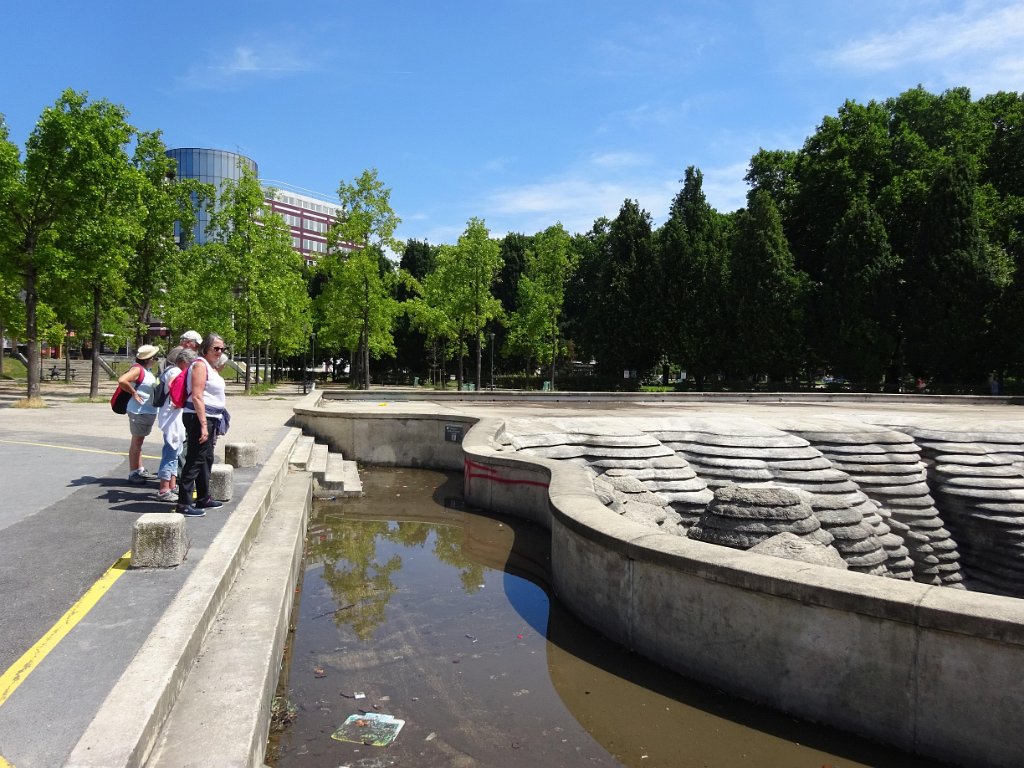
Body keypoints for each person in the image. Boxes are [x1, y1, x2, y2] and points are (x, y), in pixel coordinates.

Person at [176, 334, 228, 517]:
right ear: (205, 348)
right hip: (199, 418)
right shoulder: (200, 365)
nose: (219, 352)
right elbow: (197, 396)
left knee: (206, 458)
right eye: (216, 348)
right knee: (195, 458)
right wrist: (204, 425)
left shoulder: (210, 367)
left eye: (222, 349)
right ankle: (184, 503)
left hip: (211, 418)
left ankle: (203, 497)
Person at [156, 346, 197, 501]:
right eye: (191, 364)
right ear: (184, 361)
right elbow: (174, 387)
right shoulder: (174, 372)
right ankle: (164, 489)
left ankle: (172, 485)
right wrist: (178, 400)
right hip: (171, 417)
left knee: (175, 451)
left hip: (172, 416)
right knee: (170, 452)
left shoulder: (171, 370)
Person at [118, 344, 161, 483]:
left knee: (139, 441)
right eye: (155, 357)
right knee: (137, 441)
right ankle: (133, 472)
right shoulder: (137, 369)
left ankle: (139, 469)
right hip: (139, 411)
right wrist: (133, 392)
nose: (156, 360)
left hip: (145, 411)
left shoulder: (145, 370)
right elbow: (122, 380)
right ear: (149, 358)